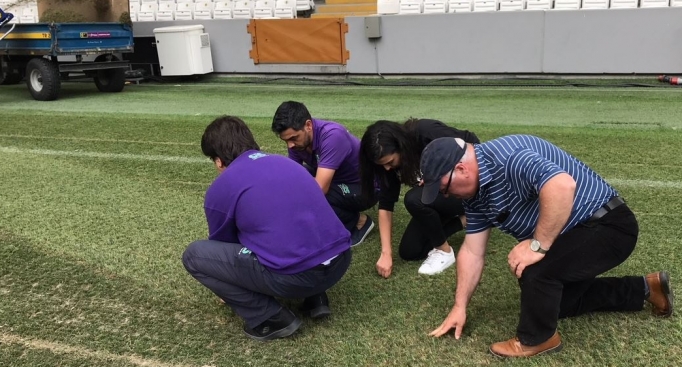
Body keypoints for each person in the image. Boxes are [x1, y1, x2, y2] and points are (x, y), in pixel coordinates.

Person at [422, 135, 673, 357]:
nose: (446, 197)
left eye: (444, 189)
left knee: (535, 272)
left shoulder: (509, 157)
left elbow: (561, 185)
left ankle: (538, 339)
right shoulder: (474, 196)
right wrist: (460, 306)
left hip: (608, 225)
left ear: (461, 168)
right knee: (554, 302)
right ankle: (645, 288)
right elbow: (472, 251)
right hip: (576, 233)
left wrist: (537, 246)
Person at [182, 116, 352, 342]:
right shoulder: (288, 163)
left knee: (194, 256)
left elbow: (225, 246)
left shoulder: (221, 188)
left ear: (218, 161)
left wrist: (229, 286)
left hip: (299, 277)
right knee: (294, 229)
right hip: (341, 261)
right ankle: (316, 299)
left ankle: (271, 318)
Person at [359, 119, 480, 277]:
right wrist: (386, 253)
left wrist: (447, 174)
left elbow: (473, 144)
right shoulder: (387, 168)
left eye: (390, 162)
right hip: (438, 198)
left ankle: (444, 251)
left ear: (401, 147)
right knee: (410, 251)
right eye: (382, 165)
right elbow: (386, 206)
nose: (387, 168)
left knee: (414, 199)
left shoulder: (425, 132)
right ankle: (466, 220)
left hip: (469, 191)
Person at [272, 101, 376, 247]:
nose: (290, 145)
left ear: (308, 125)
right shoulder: (297, 142)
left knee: (316, 194)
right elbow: (292, 176)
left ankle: (359, 221)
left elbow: (320, 189)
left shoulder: (333, 136)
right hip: (336, 180)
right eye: (286, 140)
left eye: (293, 138)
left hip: (365, 188)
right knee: (296, 181)